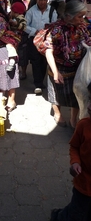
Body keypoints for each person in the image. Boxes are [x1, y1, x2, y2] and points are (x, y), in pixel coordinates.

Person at [39, 0, 91, 128]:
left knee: (76, 95)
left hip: (77, 68)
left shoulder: (82, 27)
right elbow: (48, 51)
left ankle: (74, 119)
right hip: (58, 67)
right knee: (56, 94)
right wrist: (56, 72)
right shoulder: (56, 30)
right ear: (68, 16)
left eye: (83, 16)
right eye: (79, 16)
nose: (82, 19)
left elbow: (89, 42)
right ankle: (58, 114)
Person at [50, 83, 91, 221]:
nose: (89, 106)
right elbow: (74, 147)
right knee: (76, 213)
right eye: (90, 100)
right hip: (83, 186)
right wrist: (75, 162)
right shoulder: (84, 125)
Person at [25, 0, 58, 94]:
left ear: (48, 0)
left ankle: (41, 80)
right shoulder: (31, 11)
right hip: (34, 40)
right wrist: (36, 31)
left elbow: (55, 24)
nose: (43, 2)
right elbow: (25, 26)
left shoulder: (52, 11)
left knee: (44, 61)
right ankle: (38, 83)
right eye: (40, 0)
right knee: (35, 61)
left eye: (45, 0)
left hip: (47, 41)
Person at [9, 0, 28, 79]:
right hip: (16, 40)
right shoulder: (14, 17)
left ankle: (23, 72)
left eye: (12, 11)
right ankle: (17, 70)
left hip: (21, 40)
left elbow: (24, 27)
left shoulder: (21, 18)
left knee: (22, 56)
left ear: (15, 11)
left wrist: (16, 24)